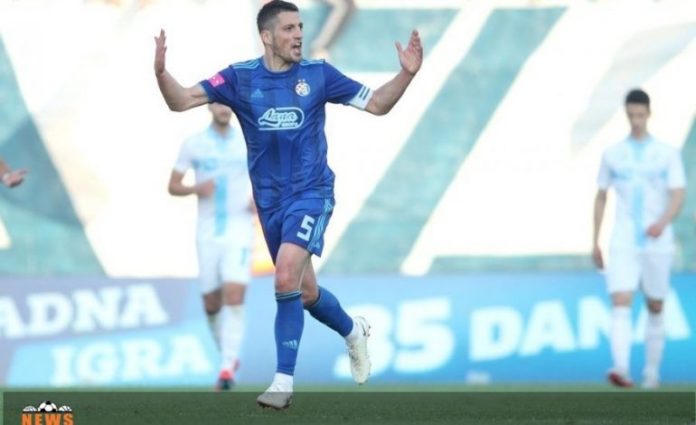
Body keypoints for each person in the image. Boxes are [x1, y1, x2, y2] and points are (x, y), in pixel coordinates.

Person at [154, 0, 422, 409]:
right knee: (306, 292)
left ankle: (282, 384)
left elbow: (377, 104)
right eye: (289, 29)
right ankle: (354, 331)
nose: (298, 35)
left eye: (300, 27)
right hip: (270, 204)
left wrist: (406, 74)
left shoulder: (318, 75)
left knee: (283, 278)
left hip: (311, 194)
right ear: (267, 36)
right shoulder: (240, 78)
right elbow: (180, 100)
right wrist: (161, 73)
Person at [592, 88, 686, 389]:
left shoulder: (667, 154)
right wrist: (595, 240)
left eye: (640, 115)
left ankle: (652, 374)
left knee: (655, 305)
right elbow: (601, 196)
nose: (636, 121)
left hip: (657, 240)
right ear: (626, 115)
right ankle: (620, 368)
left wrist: (663, 221)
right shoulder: (612, 154)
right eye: (631, 115)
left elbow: (678, 193)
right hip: (623, 237)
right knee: (620, 299)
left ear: (649, 114)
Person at [168, 103, 255, 390]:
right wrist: (196, 188)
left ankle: (227, 367)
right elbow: (173, 185)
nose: (224, 108)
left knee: (234, 294)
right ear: (209, 106)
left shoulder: (247, 140)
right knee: (211, 303)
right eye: (218, 102)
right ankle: (227, 358)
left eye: (227, 103)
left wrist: (260, 199)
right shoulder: (194, 144)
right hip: (207, 233)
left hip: (240, 228)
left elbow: (268, 174)